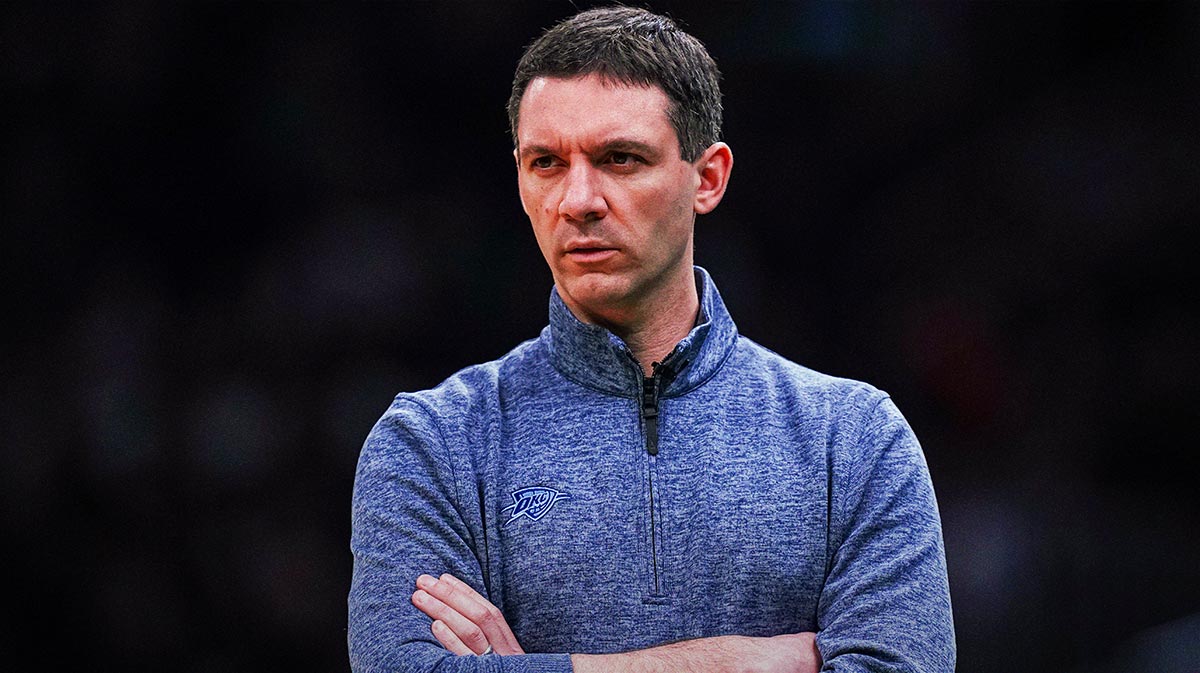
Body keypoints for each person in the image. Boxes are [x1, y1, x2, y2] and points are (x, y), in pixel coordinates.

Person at [349, 6, 955, 673]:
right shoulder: (431, 441)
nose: (578, 198)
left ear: (708, 177)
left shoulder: (856, 438)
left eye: (620, 158)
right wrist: (749, 661)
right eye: (546, 162)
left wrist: (534, 667)